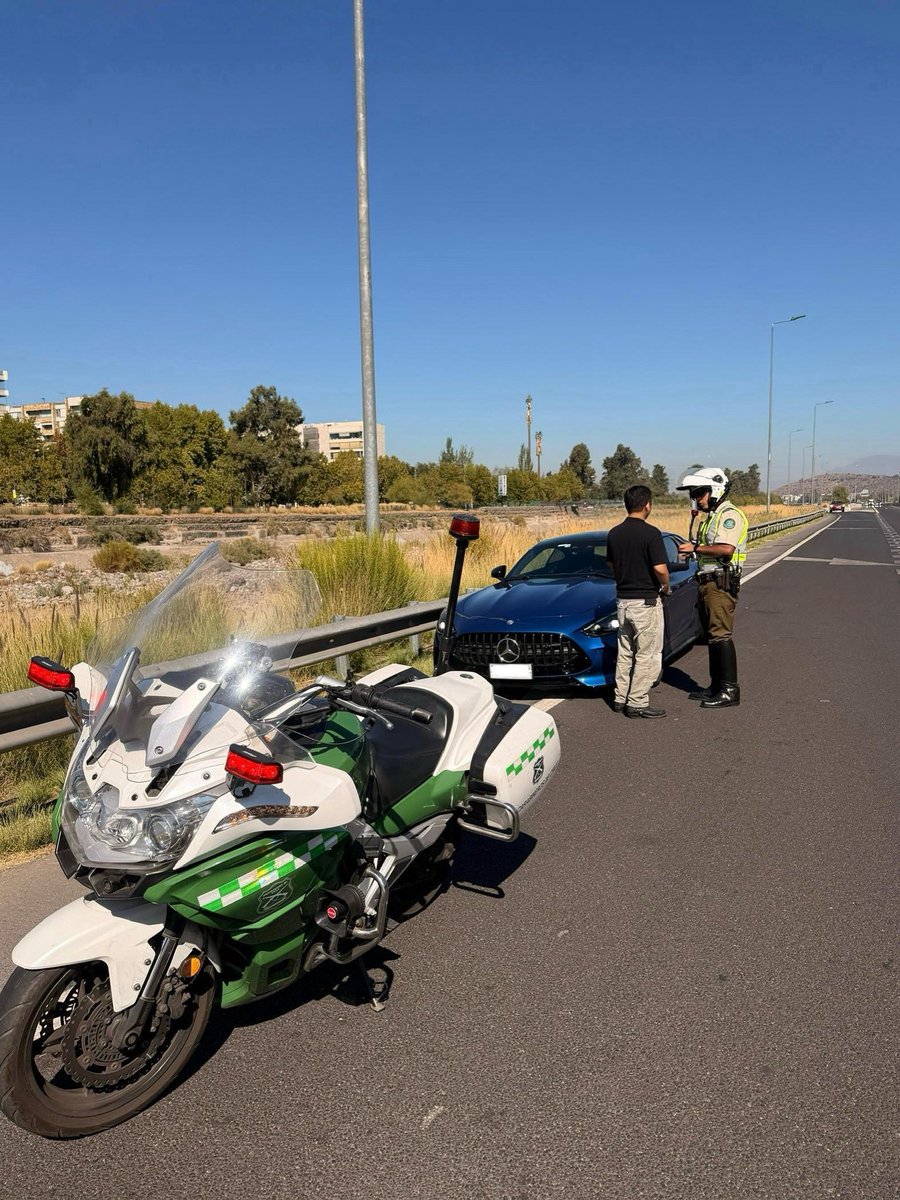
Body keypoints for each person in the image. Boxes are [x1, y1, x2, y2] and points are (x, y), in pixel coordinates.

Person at [675, 466, 749, 709]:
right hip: (708, 581)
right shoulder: (712, 517)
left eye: (699, 494)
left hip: (721, 582)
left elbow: (725, 549)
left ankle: (729, 690)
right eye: (694, 495)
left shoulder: (729, 515)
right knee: (712, 636)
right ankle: (716, 685)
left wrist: (695, 549)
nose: (697, 500)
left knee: (721, 635)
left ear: (714, 490)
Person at [605, 484, 671, 718]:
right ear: (647, 505)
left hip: (622, 601)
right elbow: (660, 568)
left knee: (625, 653)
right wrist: (665, 585)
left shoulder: (614, 533)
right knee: (646, 654)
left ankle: (620, 698)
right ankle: (637, 702)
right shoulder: (651, 533)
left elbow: (612, 565)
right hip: (646, 602)